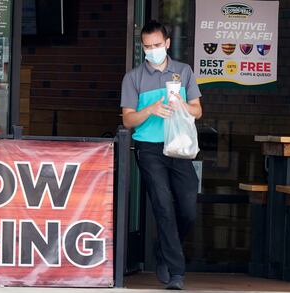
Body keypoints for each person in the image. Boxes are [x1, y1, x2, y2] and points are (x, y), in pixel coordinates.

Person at [120, 20, 202, 290]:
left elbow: (198, 111)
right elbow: (129, 120)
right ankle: (176, 272)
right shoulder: (133, 78)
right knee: (164, 205)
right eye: (147, 47)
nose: (152, 50)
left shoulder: (183, 71)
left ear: (167, 43)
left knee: (188, 208)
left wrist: (182, 107)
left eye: (157, 45)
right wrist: (151, 109)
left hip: (178, 146)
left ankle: (165, 249)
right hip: (150, 148)